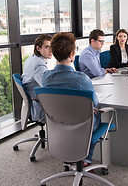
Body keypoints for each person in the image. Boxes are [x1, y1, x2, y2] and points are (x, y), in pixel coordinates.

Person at [42, 32, 100, 167]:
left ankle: (69, 156)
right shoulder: (81, 79)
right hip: (82, 125)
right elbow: (95, 103)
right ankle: (86, 160)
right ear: (71, 55)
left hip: (58, 123)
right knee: (97, 114)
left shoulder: (46, 77)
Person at [22, 34, 52, 122]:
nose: (50, 50)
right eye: (47, 47)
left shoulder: (31, 59)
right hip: (38, 103)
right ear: (38, 48)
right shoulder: (39, 64)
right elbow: (47, 86)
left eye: (51, 47)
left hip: (33, 99)